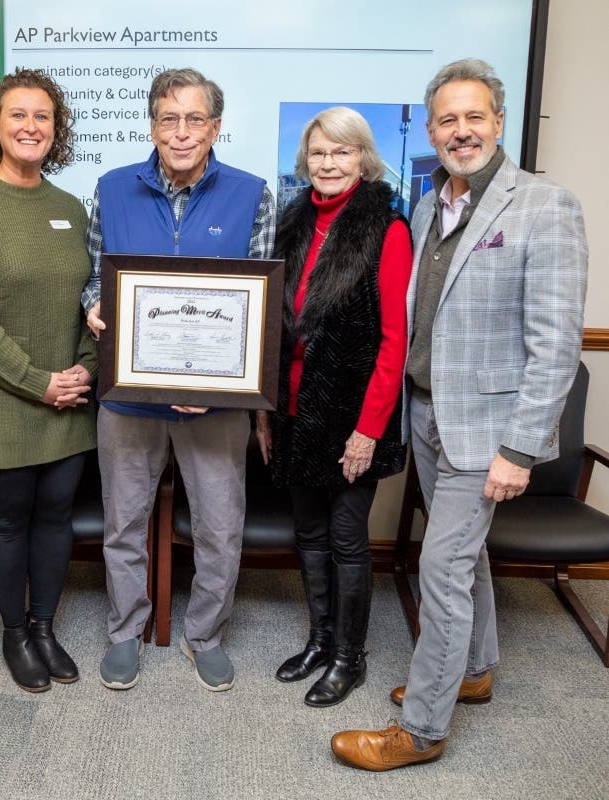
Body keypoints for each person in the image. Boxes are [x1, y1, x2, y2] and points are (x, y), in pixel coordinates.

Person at [332, 59, 587, 770]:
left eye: (473, 116)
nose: (459, 130)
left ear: (499, 123)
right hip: (427, 413)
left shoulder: (544, 205)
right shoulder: (426, 205)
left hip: (488, 430)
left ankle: (421, 730)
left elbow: (555, 345)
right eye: (446, 119)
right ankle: (473, 671)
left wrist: (519, 448)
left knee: (439, 565)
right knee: (465, 555)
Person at [84, 67, 276, 692]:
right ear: (152, 125)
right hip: (129, 402)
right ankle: (124, 631)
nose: (182, 131)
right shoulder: (110, 188)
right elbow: (94, 276)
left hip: (215, 407)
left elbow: (262, 306)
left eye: (195, 119)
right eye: (169, 118)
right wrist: (93, 304)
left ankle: (206, 634)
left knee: (221, 528)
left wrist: (216, 386)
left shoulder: (254, 192)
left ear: (215, 127)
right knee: (124, 525)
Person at [0, 69, 97, 693]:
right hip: (7, 399)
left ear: (55, 131)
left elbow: (90, 297)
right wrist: (38, 382)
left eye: (43, 117)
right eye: (18, 116)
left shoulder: (68, 207)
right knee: (9, 519)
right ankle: (12, 633)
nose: (31, 127)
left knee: (56, 516)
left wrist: (83, 367)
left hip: (70, 397)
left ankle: (43, 626)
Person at [255, 107, 412, 707]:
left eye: (341, 153)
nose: (328, 163)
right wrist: (265, 411)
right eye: (318, 153)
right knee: (309, 533)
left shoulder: (387, 230)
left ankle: (351, 657)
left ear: (363, 159)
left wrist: (368, 432)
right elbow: (272, 326)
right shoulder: (293, 223)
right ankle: (321, 641)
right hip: (296, 412)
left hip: (351, 417)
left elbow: (394, 342)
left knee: (348, 539)